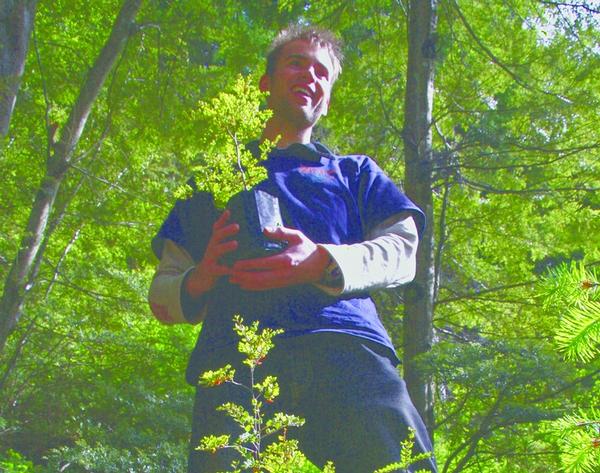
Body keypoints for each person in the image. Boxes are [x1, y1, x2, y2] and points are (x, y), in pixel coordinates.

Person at [148, 25, 438, 473]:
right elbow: (164, 293)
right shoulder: (215, 179)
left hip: (348, 351)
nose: (310, 75)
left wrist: (320, 260)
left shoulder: (353, 172)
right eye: (296, 62)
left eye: (322, 72)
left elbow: (402, 250)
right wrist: (202, 276)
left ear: (327, 98)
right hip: (236, 358)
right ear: (266, 81)